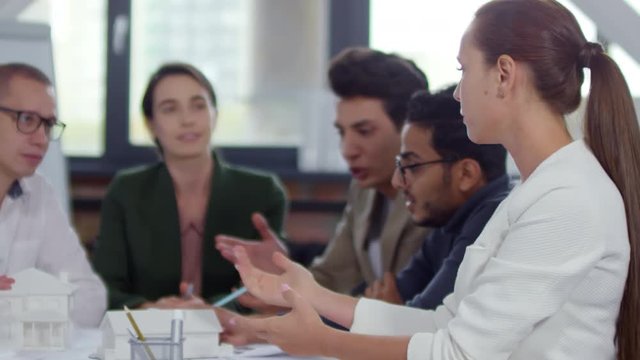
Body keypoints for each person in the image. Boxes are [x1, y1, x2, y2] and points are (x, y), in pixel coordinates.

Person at [230, 0, 640, 359]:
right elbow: (443, 324)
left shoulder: (566, 199)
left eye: (464, 71)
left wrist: (323, 342)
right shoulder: (537, 190)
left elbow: (456, 353)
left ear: (503, 74)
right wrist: (314, 296)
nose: (458, 93)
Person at [216, 47, 430, 297]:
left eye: (364, 131)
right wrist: (283, 272)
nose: (347, 150)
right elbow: (330, 278)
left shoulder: (433, 196)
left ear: (407, 130)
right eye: (342, 132)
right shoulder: (364, 191)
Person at [91, 63, 288, 310]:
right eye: (170, 109)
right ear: (151, 124)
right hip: (150, 337)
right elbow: (102, 288)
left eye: (198, 105)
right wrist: (150, 309)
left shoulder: (262, 192)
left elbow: (265, 289)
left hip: (234, 338)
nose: (187, 120)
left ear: (214, 114)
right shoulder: (127, 191)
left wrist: (209, 313)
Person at [364, 88, 509, 309]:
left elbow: (423, 322)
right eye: (399, 166)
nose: (397, 181)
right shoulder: (448, 220)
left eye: (410, 166)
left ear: (466, 174)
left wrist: (389, 313)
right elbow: (392, 300)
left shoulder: (491, 219)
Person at [0, 63, 107, 327]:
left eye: (48, 125)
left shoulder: (38, 192)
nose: (41, 139)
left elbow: (91, 298)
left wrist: (17, 308)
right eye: (26, 119)